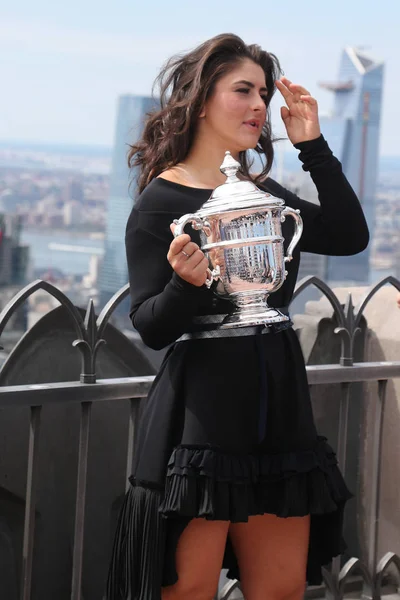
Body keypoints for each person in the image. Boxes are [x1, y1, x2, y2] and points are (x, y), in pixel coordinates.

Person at [106, 33, 369, 600]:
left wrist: (313, 145)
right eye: (243, 90)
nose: (260, 105)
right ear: (202, 101)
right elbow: (150, 324)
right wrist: (185, 284)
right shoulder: (161, 202)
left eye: (265, 93)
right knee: (189, 592)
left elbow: (350, 234)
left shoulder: (261, 191)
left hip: (279, 406)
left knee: (279, 592)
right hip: (201, 416)